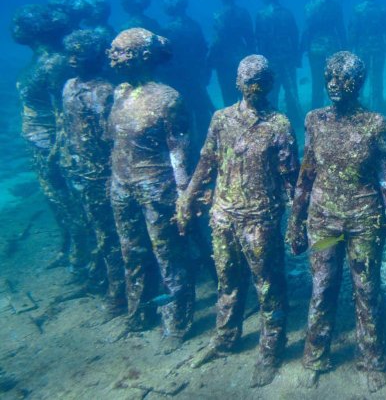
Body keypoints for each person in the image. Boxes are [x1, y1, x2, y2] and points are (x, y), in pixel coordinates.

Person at [286, 52, 386, 392]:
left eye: (343, 78)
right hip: (324, 225)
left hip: (364, 224)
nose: (334, 84)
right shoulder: (315, 120)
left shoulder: (375, 124)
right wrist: (295, 221)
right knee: (322, 287)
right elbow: (306, 174)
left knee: (367, 290)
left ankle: (372, 359)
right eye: (329, 77)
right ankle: (315, 356)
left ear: (359, 82)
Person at [178, 55, 298, 386]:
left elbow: (290, 178)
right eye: (248, 80)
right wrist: (187, 198)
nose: (254, 87)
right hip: (223, 216)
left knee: (268, 284)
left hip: (260, 218)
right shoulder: (220, 119)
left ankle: (271, 348)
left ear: (269, 83)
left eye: (260, 80)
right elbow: (206, 161)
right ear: (237, 83)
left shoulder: (279, 125)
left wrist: (295, 222)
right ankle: (225, 338)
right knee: (227, 281)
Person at [107, 28, 194, 350]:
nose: (111, 56)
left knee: (168, 256)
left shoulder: (168, 99)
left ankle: (176, 321)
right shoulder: (119, 93)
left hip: (156, 189)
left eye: (119, 51)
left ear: (144, 57)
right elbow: (115, 143)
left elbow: (179, 151)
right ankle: (138, 313)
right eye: (112, 50)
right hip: (121, 184)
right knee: (132, 252)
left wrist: (184, 195)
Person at [12, 3, 91, 271]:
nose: (16, 27)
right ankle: (69, 243)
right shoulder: (41, 59)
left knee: (65, 199)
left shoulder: (54, 63)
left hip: (51, 143)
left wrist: (58, 149)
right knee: (54, 199)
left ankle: (82, 252)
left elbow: (63, 111)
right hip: (37, 141)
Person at [60, 29, 126, 312]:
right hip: (78, 170)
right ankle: (99, 276)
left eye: (80, 53)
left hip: (103, 174)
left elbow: (114, 137)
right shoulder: (68, 86)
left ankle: (117, 289)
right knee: (93, 226)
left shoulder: (106, 92)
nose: (73, 59)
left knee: (109, 232)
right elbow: (66, 126)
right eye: (70, 53)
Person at [161, 0, 215, 159]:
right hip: (195, 78)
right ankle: (210, 149)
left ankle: (191, 154)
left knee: (183, 117)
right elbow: (203, 52)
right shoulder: (194, 25)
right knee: (201, 113)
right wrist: (204, 74)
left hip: (178, 80)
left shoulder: (168, 29)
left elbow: (164, 59)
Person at [255, 0, 302, 124]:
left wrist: (262, 60)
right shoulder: (287, 13)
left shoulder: (261, 15)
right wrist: (296, 56)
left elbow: (260, 39)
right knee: (291, 90)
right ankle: (296, 119)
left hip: (271, 59)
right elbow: (295, 35)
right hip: (287, 57)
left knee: (272, 90)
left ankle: (272, 119)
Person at [301, 0, 347, 109]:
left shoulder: (309, 6)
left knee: (316, 81)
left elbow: (307, 30)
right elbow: (341, 29)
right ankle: (337, 108)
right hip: (332, 46)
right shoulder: (336, 6)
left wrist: (302, 49)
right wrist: (345, 48)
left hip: (315, 47)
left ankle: (317, 110)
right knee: (335, 79)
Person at [348, 0, 386, 110]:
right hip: (378, 47)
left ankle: (358, 105)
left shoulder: (358, 9)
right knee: (377, 77)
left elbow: (353, 31)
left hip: (362, 48)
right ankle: (377, 105)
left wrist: (350, 49)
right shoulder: (382, 9)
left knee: (360, 77)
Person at [208, 0, 255, 106]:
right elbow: (250, 37)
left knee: (228, 95)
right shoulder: (243, 12)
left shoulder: (218, 14)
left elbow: (216, 40)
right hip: (242, 55)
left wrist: (209, 60)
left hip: (224, 59)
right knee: (246, 93)